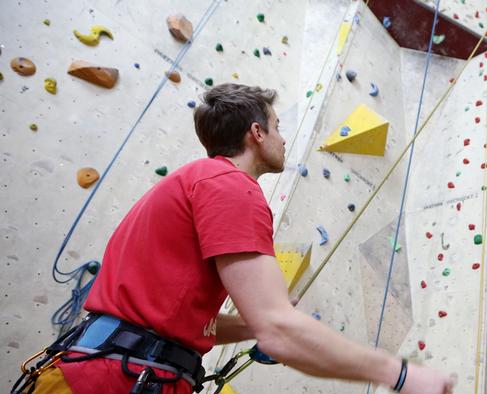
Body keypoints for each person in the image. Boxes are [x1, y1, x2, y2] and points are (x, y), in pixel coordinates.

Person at [13, 84, 454, 394]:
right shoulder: (230, 186)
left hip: (102, 369)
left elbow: (172, 318)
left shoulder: (194, 183)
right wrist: (399, 374)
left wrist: (249, 325)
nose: (283, 138)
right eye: (277, 126)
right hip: (115, 380)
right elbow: (280, 330)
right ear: (256, 133)